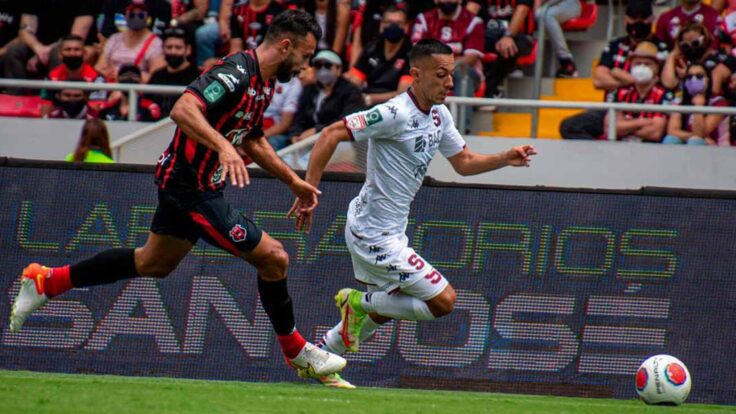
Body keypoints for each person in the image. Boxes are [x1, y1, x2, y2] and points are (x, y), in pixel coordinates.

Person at [9, 9, 346, 378]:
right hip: (190, 188)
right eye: (305, 56)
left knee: (153, 262)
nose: (306, 66)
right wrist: (222, 146)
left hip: (198, 185)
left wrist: (292, 180)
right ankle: (297, 351)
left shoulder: (264, 84)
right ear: (285, 46)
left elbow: (251, 137)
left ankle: (47, 281)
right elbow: (184, 108)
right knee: (275, 258)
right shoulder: (234, 73)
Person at [288, 39, 536, 388]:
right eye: (441, 75)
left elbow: (463, 163)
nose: (450, 82)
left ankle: (323, 357)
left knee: (393, 305)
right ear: (416, 75)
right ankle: (356, 303)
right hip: (371, 234)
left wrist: (503, 158)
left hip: (391, 231)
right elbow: (330, 133)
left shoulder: (439, 114)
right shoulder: (394, 113)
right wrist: (307, 189)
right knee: (443, 301)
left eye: (452, 74)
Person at [559, 0, 667, 140]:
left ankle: (623, 132)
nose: (638, 22)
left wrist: (617, 74)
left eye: (643, 18)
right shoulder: (615, 45)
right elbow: (599, 80)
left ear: (652, 20)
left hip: (651, 109)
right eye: (634, 18)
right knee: (570, 126)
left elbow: (664, 82)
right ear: (625, 20)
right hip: (614, 108)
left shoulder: (662, 48)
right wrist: (638, 80)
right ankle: (602, 156)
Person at [3, 0, 97, 92]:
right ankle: (15, 95)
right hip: (38, 46)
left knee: (59, 53)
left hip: (70, 46)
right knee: (14, 51)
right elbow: (25, 31)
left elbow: (75, 38)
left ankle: (55, 96)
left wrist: (45, 51)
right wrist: (38, 49)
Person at [288, 49, 364, 143]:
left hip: (338, 141)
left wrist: (317, 130)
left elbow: (348, 122)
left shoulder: (351, 92)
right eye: (318, 66)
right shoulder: (309, 90)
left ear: (338, 69)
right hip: (306, 142)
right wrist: (294, 135)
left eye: (327, 65)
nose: (322, 70)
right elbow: (298, 119)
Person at [604, 41, 673, 143]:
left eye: (647, 64)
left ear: (656, 68)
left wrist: (625, 125)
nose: (642, 67)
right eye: (637, 63)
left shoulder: (664, 95)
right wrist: (641, 122)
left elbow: (656, 133)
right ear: (631, 66)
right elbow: (610, 128)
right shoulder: (619, 93)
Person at [466, 0, 534, 98]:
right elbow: (471, 10)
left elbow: (522, 10)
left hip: (519, 35)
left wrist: (508, 36)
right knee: (472, 46)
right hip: (488, 34)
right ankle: (477, 88)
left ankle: (489, 92)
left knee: (508, 48)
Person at [346, 6, 413, 106]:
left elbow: (403, 94)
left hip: (396, 106)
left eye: (398, 23)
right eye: (389, 22)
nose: (393, 26)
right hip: (366, 99)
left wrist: (371, 98)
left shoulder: (411, 53)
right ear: (381, 25)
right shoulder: (371, 48)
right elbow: (354, 82)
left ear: (406, 27)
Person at [95, 0, 166, 83]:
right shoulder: (114, 39)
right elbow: (99, 67)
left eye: (141, 15)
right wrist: (108, 74)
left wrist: (122, 76)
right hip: (111, 86)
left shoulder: (156, 43)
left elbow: (156, 77)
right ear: (125, 16)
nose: (136, 18)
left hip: (138, 89)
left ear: (147, 18)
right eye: (132, 15)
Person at [661, 22, 735, 96]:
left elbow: (712, 89)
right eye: (685, 46)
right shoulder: (683, 61)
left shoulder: (721, 59)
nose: (691, 47)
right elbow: (668, 83)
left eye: (695, 43)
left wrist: (687, 76)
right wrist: (673, 53)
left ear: (705, 39)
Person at [663, 63, 728, 145]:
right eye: (689, 77)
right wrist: (692, 136)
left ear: (708, 79)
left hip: (717, 148)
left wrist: (698, 106)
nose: (694, 80)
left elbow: (701, 133)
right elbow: (672, 131)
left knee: (695, 142)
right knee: (670, 139)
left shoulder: (718, 102)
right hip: (694, 141)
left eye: (699, 76)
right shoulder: (680, 102)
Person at [148, 26, 200, 117]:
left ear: (188, 49)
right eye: (169, 47)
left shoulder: (198, 77)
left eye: (178, 48)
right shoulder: (157, 76)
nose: (173, 52)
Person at [43, 34, 106, 103]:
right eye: (68, 49)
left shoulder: (98, 78)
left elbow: (95, 108)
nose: (72, 53)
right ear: (60, 54)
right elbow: (47, 107)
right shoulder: (50, 77)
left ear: (84, 53)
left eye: (77, 49)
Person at [534, 0, 580, 77]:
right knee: (539, 14)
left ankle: (566, 60)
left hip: (569, 3)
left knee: (544, 15)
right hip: (547, 6)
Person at [655, 0, 722, 50]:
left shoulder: (714, 17)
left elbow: (715, 49)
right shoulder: (665, 18)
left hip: (705, 65)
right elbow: (660, 49)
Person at [263, 77, 303, 151]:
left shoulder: (293, 85)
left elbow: (285, 124)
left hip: (270, 126)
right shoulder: (257, 75)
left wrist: (256, 138)